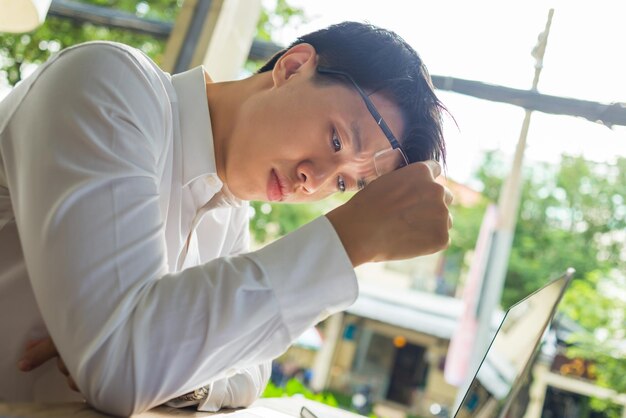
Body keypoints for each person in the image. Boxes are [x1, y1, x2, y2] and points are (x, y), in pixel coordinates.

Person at [0, 21, 452, 416]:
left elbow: (252, 374)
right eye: (336, 141)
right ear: (293, 67)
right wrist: (348, 240)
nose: (312, 182)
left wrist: (173, 371)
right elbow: (119, 367)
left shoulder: (227, 216)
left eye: (343, 186)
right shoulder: (112, 85)